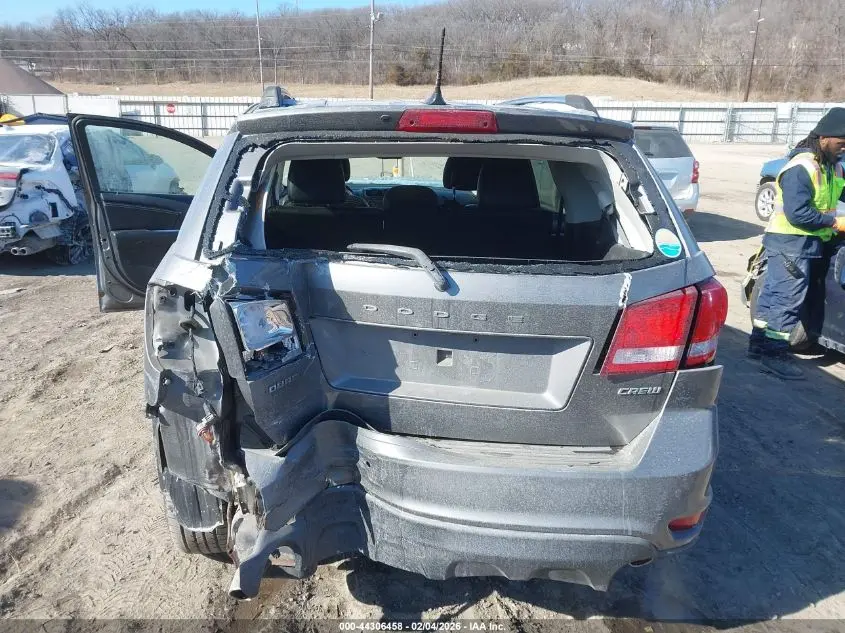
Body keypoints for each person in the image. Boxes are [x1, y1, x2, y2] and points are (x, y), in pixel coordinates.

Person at [749, 108, 845, 380]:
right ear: (824, 138)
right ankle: (774, 354)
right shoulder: (802, 168)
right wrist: (835, 223)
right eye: (842, 143)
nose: (844, 149)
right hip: (790, 242)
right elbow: (798, 213)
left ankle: (758, 346)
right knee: (786, 299)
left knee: (771, 296)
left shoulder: (831, 166)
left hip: (804, 243)